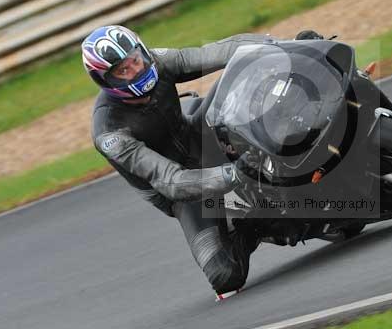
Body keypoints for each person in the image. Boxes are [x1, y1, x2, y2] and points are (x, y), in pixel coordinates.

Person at [83, 25, 322, 297]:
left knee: (247, 73)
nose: (135, 70)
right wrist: (235, 174)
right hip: (182, 194)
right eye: (122, 70)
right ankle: (250, 226)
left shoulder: (157, 61)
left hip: (197, 136)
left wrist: (288, 46)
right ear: (105, 81)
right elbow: (172, 181)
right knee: (224, 275)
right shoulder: (109, 133)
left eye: (135, 60)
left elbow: (216, 52)